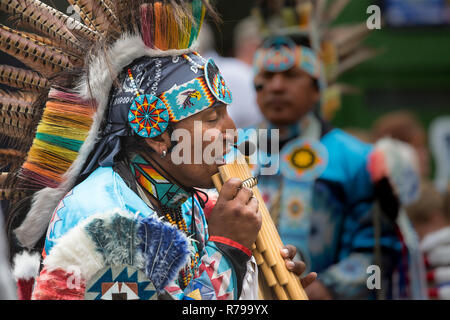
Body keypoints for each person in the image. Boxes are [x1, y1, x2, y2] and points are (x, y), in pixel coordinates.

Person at [0, 0, 315, 300]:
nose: (231, 132)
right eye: (211, 118)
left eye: (226, 113)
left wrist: (258, 279)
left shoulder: (184, 201)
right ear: (157, 137)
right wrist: (228, 248)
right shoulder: (106, 222)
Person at [239, 0, 416, 300]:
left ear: (317, 87)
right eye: (266, 78)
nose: (277, 87)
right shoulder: (232, 153)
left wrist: (326, 288)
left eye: (292, 75)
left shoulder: (357, 159)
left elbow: (376, 249)